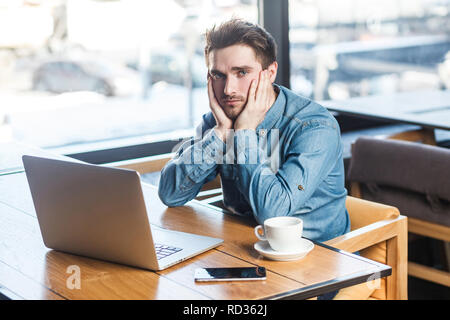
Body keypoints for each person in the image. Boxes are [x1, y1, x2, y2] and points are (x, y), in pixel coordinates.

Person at [158, 18, 350, 244]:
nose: (228, 90)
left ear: (270, 74)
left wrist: (244, 134)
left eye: (241, 73)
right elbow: (170, 194)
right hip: (242, 248)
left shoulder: (314, 126)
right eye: (218, 75)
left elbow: (273, 215)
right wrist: (220, 134)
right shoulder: (220, 120)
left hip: (318, 259)